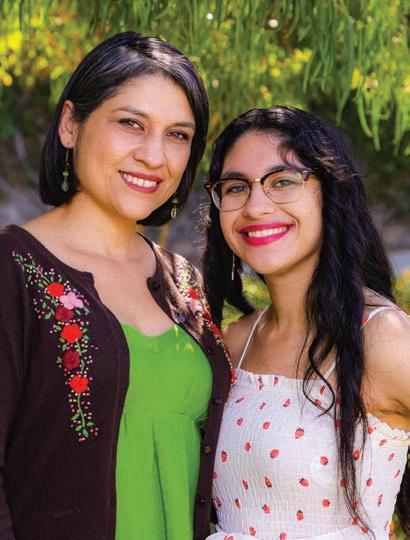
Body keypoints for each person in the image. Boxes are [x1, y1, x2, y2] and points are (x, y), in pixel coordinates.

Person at [0, 31, 232, 540]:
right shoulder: (12, 269)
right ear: (70, 124)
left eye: (178, 135)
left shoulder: (184, 282)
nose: (154, 155)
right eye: (131, 124)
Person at [202, 106, 410, 539]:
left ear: (331, 192)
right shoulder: (235, 341)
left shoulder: (381, 338)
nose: (256, 206)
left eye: (283, 181)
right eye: (236, 187)